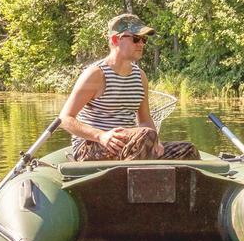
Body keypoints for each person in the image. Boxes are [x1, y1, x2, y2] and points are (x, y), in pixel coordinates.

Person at [60, 14, 200, 161]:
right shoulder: (96, 74)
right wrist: (101, 135)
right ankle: (132, 180)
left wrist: (156, 142)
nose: (141, 44)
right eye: (135, 39)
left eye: (144, 39)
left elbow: (145, 120)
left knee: (187, 150)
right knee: (146, 135)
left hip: (133, 145)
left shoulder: (140, 77)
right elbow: (65, 118)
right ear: (115, 40)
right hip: (92, 146)